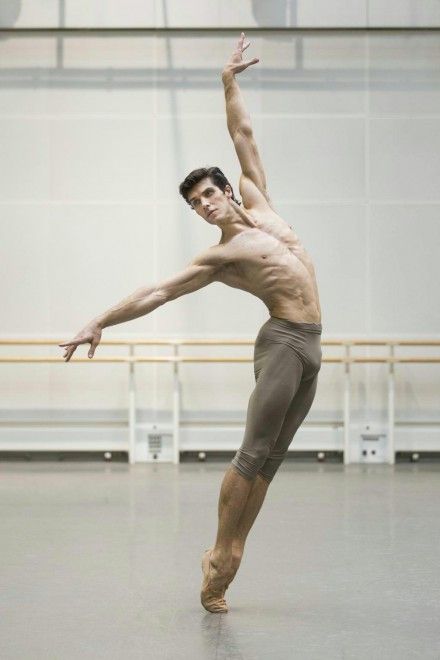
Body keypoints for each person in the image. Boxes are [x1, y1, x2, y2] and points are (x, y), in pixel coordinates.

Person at [59, 33, 322, 614]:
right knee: (254, 454)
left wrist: (228, 83)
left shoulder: (262, 204)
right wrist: (99, 320)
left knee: (273, 461)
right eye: (195, 205)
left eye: (207, 195)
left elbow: (243, 137)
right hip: (281, 342)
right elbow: (157, 291)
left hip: (312, 346)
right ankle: (221, 558)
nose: (204, 207)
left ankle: (233, 550)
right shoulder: (221, 256)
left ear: (226, 191)